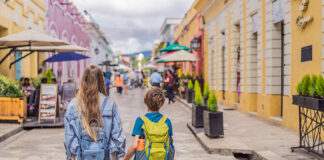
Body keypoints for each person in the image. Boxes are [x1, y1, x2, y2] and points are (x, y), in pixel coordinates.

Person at [64, 65, 126, 160]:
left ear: (83, 81)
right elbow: (118, 137)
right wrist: (120, 155)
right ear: (101, 81)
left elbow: (69, 139)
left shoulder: (73, 105)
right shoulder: (110, 105)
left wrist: (70, 156)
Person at [123, 87, 173, 160]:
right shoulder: (167, 121)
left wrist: (125, 159)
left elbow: (135, 146)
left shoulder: (141, 121)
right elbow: (170, 145)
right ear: (162, 102)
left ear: (145, 101)